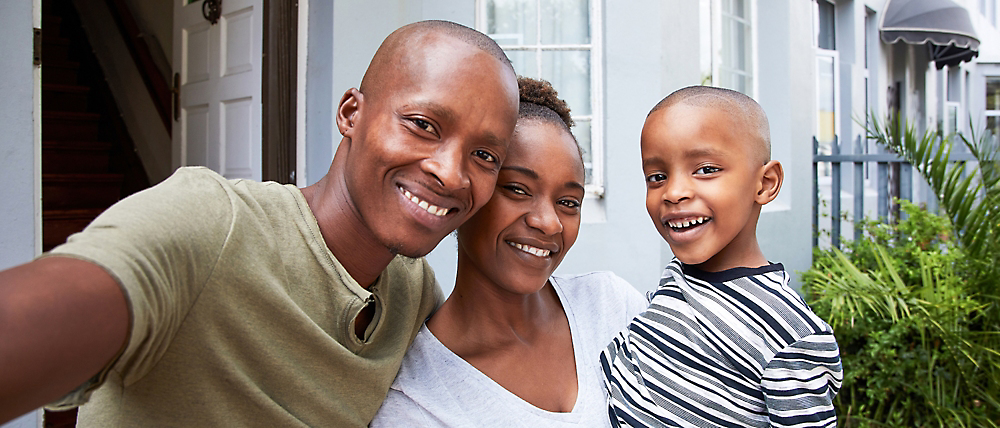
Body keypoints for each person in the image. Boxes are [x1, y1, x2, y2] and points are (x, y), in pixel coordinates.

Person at [0, 20, 519, 427]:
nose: (450, 173)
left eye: (484, 156)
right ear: (350, 114)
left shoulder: (413, 293)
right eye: (423, 125)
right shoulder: (211, 224)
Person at [370, 77, 647, 427]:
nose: (549, 223)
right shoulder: (418, 402)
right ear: (468, 191)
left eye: (567, 202)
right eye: (517, 189)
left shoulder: (612, 308)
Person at [600, 86, 843, 427]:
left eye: (705, 169)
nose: (674, 193)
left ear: (765, 183)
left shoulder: (790, 334)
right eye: (657, 177)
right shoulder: (678, 277)